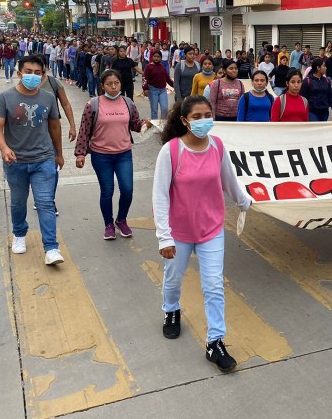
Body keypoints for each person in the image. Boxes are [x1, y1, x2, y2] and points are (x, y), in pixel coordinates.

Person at [153, 95, 252, 372]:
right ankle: (171, 310)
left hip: (211, 230)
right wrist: (164, 236)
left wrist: (244, 202)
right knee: (173, 280)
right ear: (184, 121)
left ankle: (215, 342)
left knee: (214, 286)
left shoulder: (217, 146)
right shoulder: (171, 151)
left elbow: (229, 181)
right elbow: (159, 195)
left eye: (207, 114)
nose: (203, 120)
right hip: (179, 232)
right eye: (196, 116)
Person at [0, 55, 65, 266]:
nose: (33, 76)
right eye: (29, 72)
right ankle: (19, 233)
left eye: (38, 73)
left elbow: (54, 127)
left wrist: (58, 153)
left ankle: (51, 248)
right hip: (16, 161)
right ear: (19, 73)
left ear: (43, 76)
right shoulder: (5, 98)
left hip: (43, 159)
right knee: (18, 201)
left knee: (45, 202)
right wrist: (4, 148)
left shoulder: (48, 98)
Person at [75, 70, 151, 241]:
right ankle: (108, 224)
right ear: (102, 86)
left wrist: (147, 124)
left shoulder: (128, 103)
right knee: (107, 191)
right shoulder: (93, 104)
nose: (114, 87)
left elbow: (135, 125)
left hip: (124, 154)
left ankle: (121, 219)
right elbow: (84, 130)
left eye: (117, 83)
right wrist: (80, 154)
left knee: (127, 190)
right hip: (101, 155)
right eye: (109, 84)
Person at [143, 50, 174, 120]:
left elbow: (167, 78)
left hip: (163, 90)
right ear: (152, 57)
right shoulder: (148, 67)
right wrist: (145, 88)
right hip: (153, 90)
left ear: (161, 58)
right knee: (154, 110)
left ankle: (162, 124)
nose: (156, 58)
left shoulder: (162, 67)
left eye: (158, 57)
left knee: (164, 108)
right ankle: (154, 125)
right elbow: (145, 78)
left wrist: (174, 85)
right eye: (155, 56)